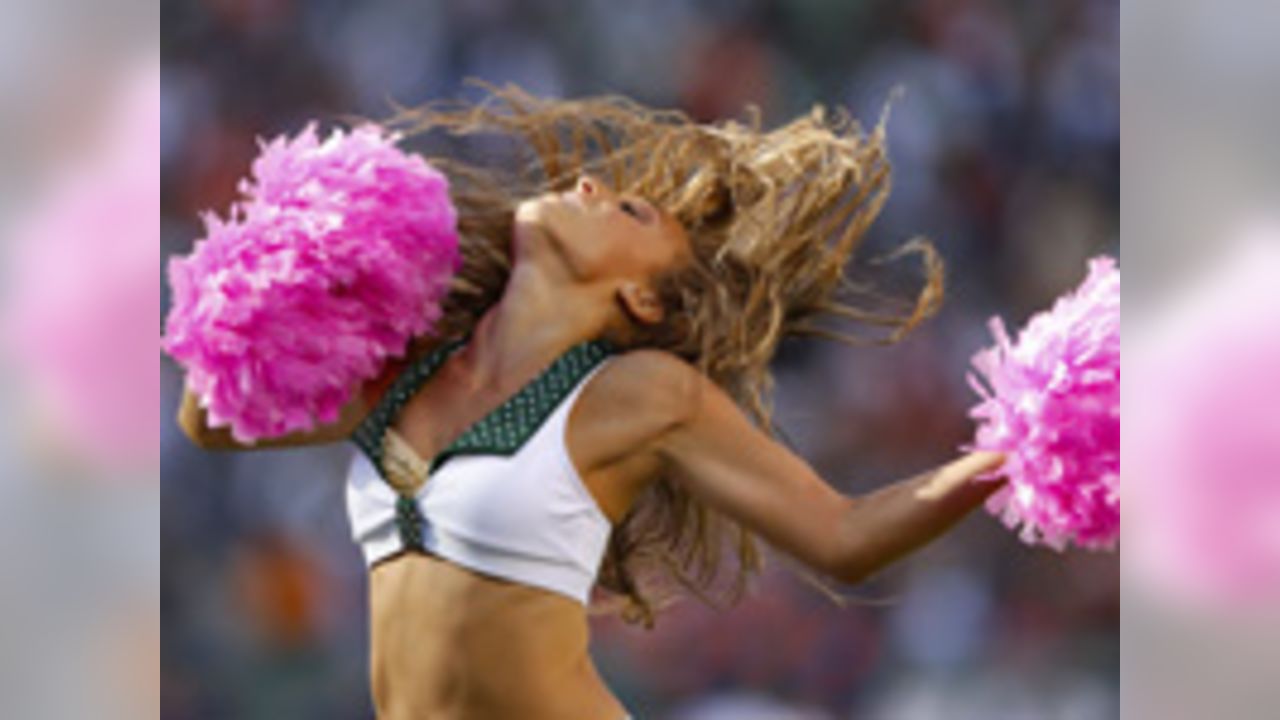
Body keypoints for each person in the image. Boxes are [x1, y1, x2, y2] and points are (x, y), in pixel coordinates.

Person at [177, 81, 1008, 720]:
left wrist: (1019, 447)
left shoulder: (636, 395)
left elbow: (844, 537)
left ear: (641, 302)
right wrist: (275, 268)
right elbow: (208, 423)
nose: (585, 184)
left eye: (627, 209)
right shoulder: (401, 376)